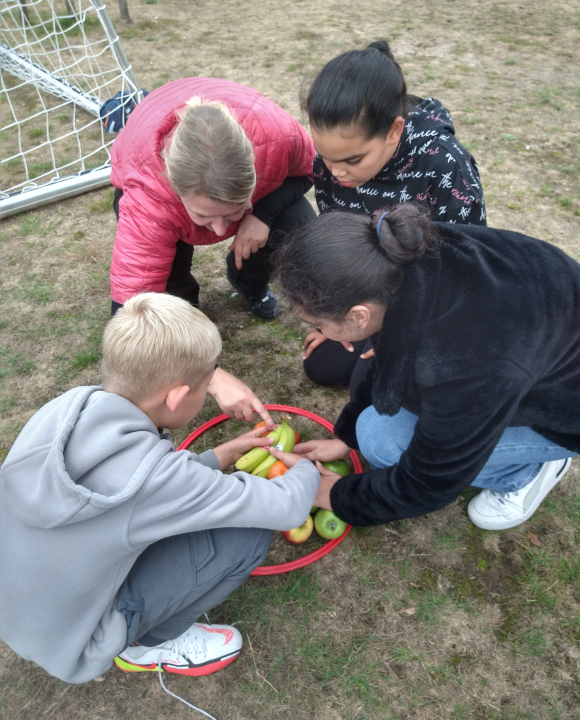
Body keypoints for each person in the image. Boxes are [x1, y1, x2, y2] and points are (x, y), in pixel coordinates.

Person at [0, 293, 319, 684]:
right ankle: (145, 646)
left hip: (21, 608)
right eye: (206, 386)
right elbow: (285, 508)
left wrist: (219, 455)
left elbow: (145, 492)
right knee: (247, 536)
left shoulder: (66, 408)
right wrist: (307, 472)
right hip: (77, 642)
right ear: (178, 397)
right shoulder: (154, 478)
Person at [270, 205, 579, 532]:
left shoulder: (463, 362)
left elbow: (428, 481)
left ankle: (523, 473)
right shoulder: (398, 252)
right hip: (538, 352)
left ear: (359, 315)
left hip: (565, 412)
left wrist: (337, 496)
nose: (317, 332)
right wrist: (345, 437)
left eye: (317, 324)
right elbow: (390, 350)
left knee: (382, 442)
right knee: (368, 427)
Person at [300, 41, 486, 386]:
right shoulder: (330, 166)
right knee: (322, 366)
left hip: (431, 304)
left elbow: (466, 268)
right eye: (325, 157)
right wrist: (334, 319)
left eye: (353, 160)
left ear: (394, 131)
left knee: (379, 379)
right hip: (372, 297)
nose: (336, 172)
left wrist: (398, 330)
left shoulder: (444, 164)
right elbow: (344, 249)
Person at [110, 77, 317, 321]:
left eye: (233, 212)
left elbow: (310, 170)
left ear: (255, 176)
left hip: (255, 175)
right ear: (176, 191)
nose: (220, 230)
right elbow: (134, 292)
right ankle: (183, 306)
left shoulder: (278, 138)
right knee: (168, 285)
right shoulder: (150, 195)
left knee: (298, 225)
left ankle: (249, 279)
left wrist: (263, 214)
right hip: (153, 189)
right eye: (202, 214)